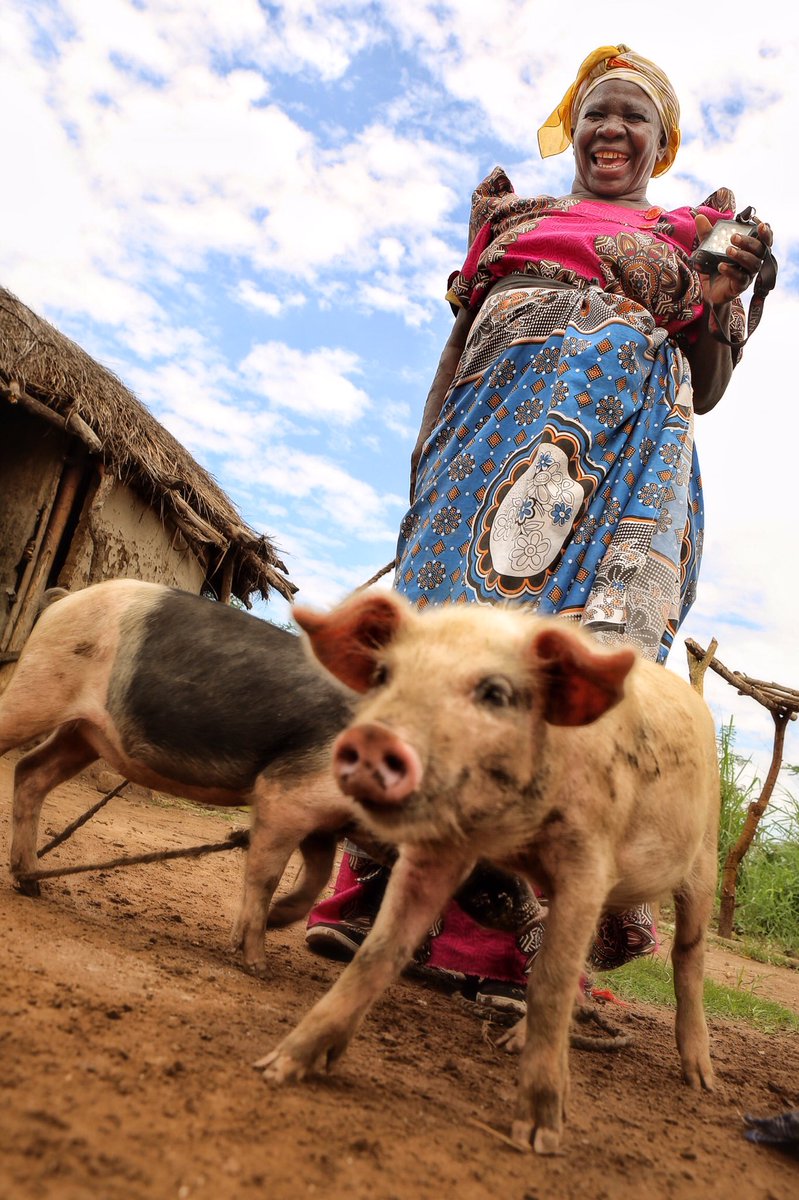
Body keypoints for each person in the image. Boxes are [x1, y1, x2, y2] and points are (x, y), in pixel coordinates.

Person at [306, 44, 774, 1015]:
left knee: (569, 678)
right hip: (477, 453)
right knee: (437, 654)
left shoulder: (696, 235)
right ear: (575, 125)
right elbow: (458, 342)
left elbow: (714, 388)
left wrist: (723, 291)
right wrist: (429, 459)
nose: (611, 130)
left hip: (619, 476)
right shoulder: (517, 219)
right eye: (596, 113)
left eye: (633, 119)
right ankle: (374, 895)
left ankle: (514, 941)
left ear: (661, 142)